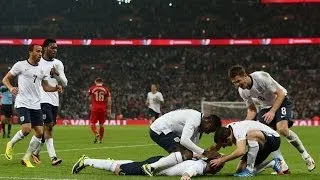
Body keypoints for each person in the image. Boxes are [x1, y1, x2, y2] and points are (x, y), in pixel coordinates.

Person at [228, 65, 315, 172]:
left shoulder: (261, 77)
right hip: (265, 107)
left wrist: (273, 111)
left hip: (281, 101)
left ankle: (306, 156)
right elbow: (252, 110)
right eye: (234, 83)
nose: (237, 85)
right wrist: (244, 125)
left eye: (238, 81)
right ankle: (283, 165)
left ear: (245, 76)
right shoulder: (242, 91)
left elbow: (281, 94)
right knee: (268, 137)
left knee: (282, 129)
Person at [2, 44, 62, 168]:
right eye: (38, 51)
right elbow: (5, 79)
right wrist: (11, 87)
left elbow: (45, 86)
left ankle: (26, 158)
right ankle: (11, 144)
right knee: (26, 129)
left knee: (40, 133)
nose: (40, 54)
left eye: (41, 51)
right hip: (23, 102)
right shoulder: (20, 65)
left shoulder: (41, 69)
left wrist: (55, 88)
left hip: (36, 104)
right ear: (30, 52)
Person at [141, 109, 222, 176]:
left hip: (167, 131)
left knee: (187, 154)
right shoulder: (195, 118)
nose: (208, 133)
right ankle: (150, 167)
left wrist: (202, 156)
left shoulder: (198, 129)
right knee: (185, 153)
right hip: (159, 129)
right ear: (208, 121)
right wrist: (204, 152)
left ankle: (157, 166)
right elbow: (184, 141)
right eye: (210, 129)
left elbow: (192, 149)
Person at [31, 39, 68, 166]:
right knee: (49, 127)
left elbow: (65, 82)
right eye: (52, 48)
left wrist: (56, 74)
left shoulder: (58, 64)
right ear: (45, 48)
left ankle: (33, 153)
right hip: (41, 98)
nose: (55, 50)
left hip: (54, 99)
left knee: (47, 128)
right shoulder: (38, 62)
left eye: (56, 48)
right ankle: (53, 157)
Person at [71, 153, 224, 179]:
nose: (218, 169)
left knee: (128, 165)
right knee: (119, 170)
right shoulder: (200, 166)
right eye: (218, 167)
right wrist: (186, 176)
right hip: (156, 167)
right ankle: (87, 161)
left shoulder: (200, 163)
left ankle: (111, 162)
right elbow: (192, 170)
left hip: (159, 162)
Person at [211, 120, 283, 177]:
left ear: (228, 139)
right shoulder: (226, 131)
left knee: (251, 135)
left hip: (273, 139)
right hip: (261, 145)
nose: (224, 147)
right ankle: (272, 163)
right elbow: (216, 147)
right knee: (240, 170)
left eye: (224, 145)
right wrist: (205, 156)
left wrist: (222, 160)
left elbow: (241, 151)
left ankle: (249, 170)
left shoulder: (237, 130)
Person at [88, 78, 111, 143]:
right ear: (102, 82)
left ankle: (96, 133)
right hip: (103, 108)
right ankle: (100, 140)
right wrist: (109, 109)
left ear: (95, 82)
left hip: (95, 108)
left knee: (92, 123)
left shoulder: (92, 88)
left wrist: (90, 104)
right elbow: (109, 100)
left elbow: (88, 96)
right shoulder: (106, 89)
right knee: (101, 124)